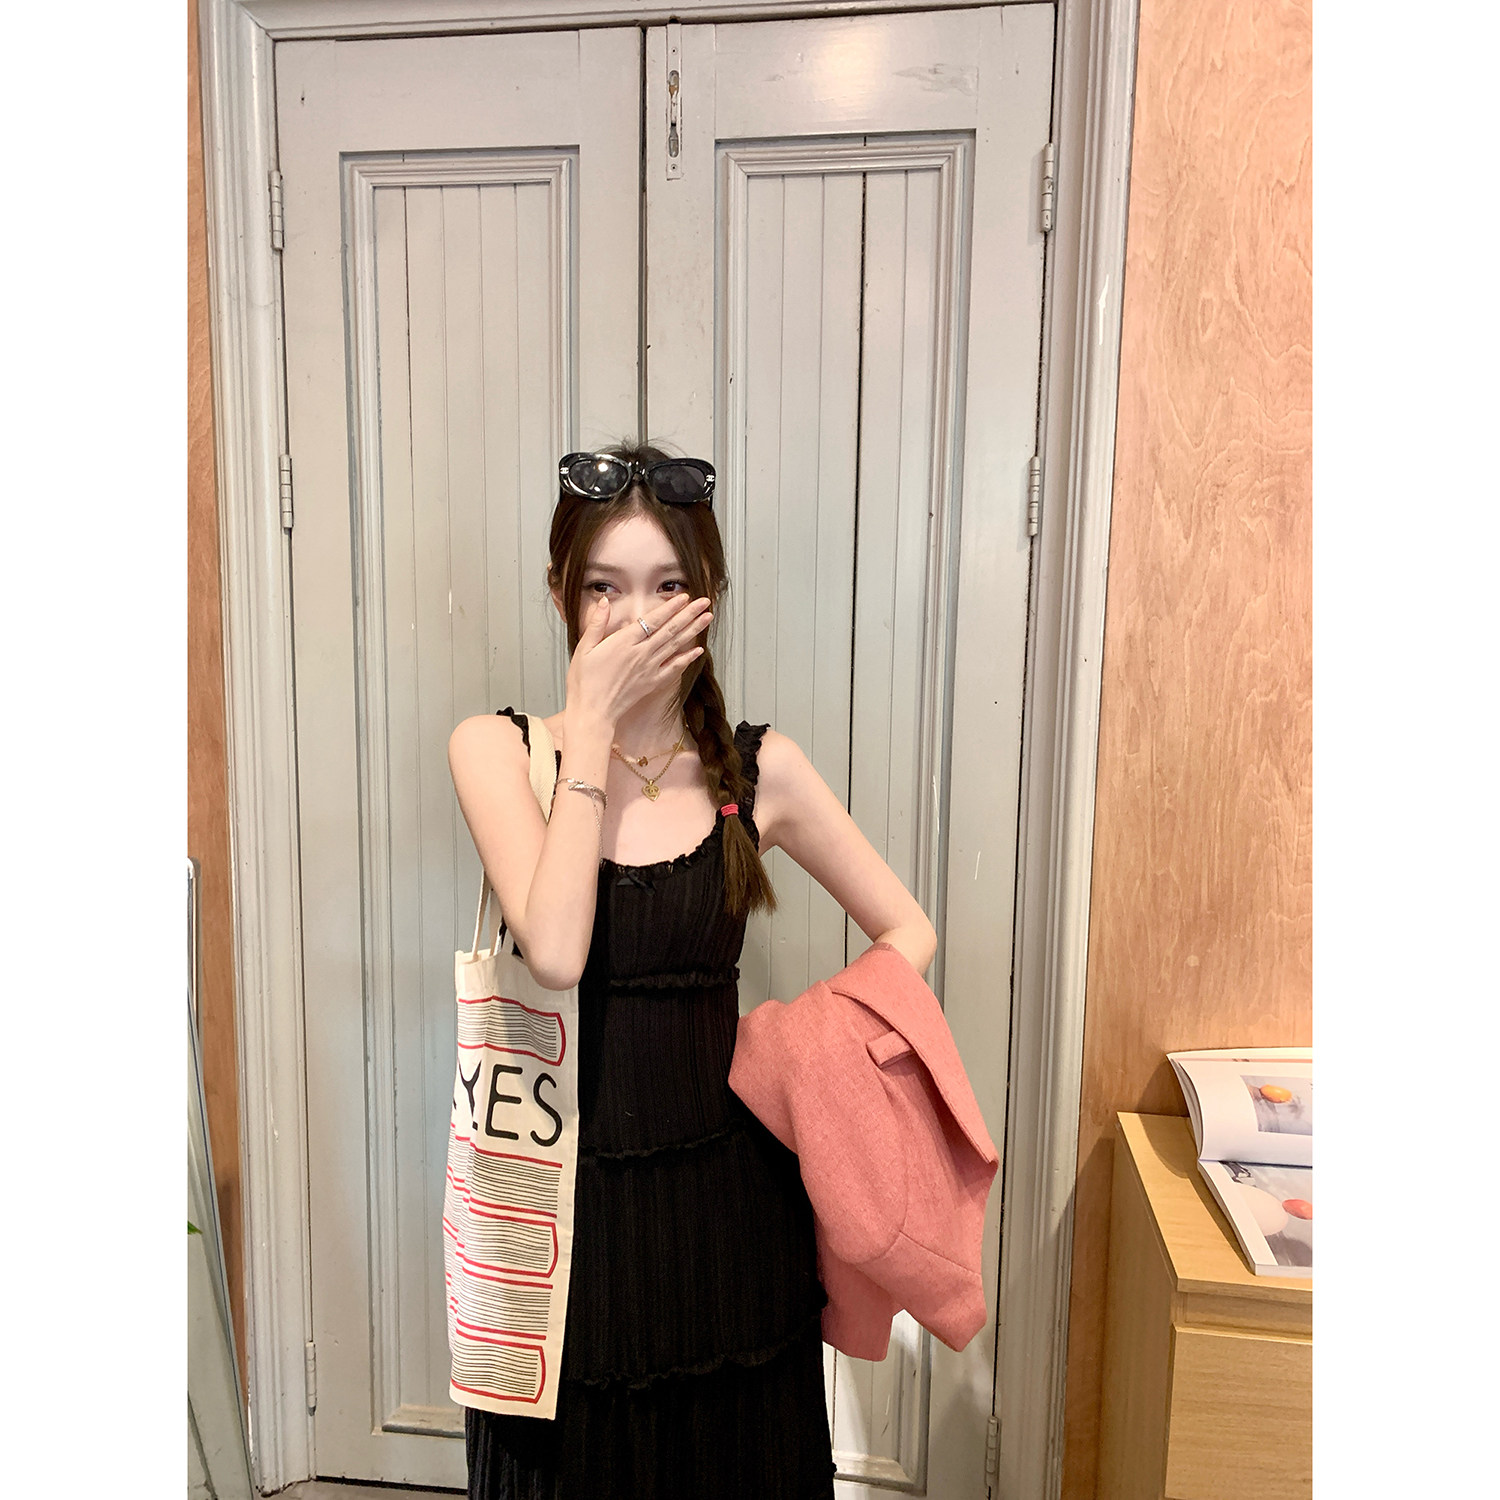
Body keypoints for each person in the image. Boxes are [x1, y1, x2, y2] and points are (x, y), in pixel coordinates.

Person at [447, 441, 938, 1499]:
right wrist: (591, 730)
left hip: (731, 1225)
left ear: (708, 596)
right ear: (558, 594)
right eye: (604, 588)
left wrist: (802, 1050)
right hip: (563, 1227)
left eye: (668, 586)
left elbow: (908, 931)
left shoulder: (757, 770)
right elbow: (557, 949)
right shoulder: (500, 751)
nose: (637, 620)